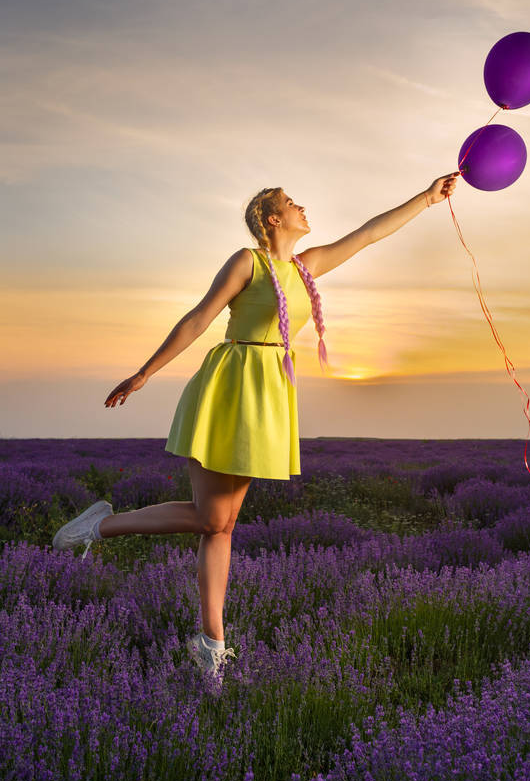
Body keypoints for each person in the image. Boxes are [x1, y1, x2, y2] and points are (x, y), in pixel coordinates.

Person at [52, 175, 459, 682]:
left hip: (270, 393)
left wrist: (427, 198)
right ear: (272, 220)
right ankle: (101, 532)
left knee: (219, 523)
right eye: (291, 203)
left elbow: (369, 234)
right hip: (232, 386)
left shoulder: (306, 269)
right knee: (210, 520)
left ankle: (210, 645)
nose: (302, 207)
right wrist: (144, 373)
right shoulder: (248, 261)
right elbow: (199, 318)